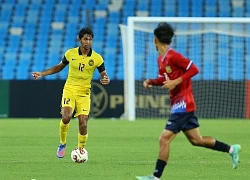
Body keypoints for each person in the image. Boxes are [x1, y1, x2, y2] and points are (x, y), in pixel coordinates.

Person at [136, 22, 241, 180]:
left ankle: (155, 177)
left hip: (183, 104)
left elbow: (194, 69)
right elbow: (164, 79)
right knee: (196, 140)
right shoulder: (161, 60)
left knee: (164, 139)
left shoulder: (174, 55)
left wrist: (176, 82)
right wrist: (151, 81)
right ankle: (232, 149)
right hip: (179, 104)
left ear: (155, 40)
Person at [32, 27, 110, 159]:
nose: (88, 42)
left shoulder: (97, 58)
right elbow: (59, 67)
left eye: (90, 39)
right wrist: (42, 73)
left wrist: (106, 79)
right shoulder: (70, 53)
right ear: (80, 40)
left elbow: (104, 75)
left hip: (84, 93)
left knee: (83, 123)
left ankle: (81, 149)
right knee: (66, 117)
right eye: (85, 39)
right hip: (70, 89)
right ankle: (62, 143)